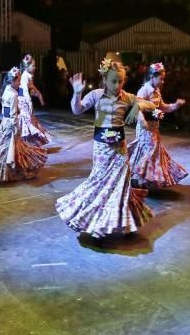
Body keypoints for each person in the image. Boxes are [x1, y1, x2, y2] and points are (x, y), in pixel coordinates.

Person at [55, 58, 157, 239]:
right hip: (102, 150)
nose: (117, 85)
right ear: (104, 80)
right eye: (113, 81)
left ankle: (123, 222)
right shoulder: (96, 95)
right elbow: (77, 110)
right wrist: (77, 93)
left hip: (119, 151)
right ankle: (97, 223)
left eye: (121, 81)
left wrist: (137, 106)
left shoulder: (126, 97)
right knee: (100, 185)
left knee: (121, 187)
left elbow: (151, 104)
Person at [128, 62, 189, 189]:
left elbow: (163, 107)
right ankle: (138, 178)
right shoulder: (144, 90)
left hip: (154, 127)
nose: (163, 81)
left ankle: (140, 178)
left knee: (150, 151)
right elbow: (137, 107)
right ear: (152, 77)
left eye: (163, 79)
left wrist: (175, 105)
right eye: (161, 79)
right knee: (152, 151)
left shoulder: (157, 91)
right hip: (145, 128)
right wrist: (142, 121)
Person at [17, 54, 51, 145]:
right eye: (33, 66)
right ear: (27, 66)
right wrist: (29, 103)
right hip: (23, 100)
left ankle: (28, 141)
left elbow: (31, 87)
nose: (35, 67)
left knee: (28, 119)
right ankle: (25, 141)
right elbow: (24, 90)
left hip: (25, 99)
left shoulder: (28, 75)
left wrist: (37, 93)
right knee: (27, 119)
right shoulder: (25, 76)